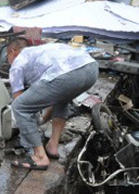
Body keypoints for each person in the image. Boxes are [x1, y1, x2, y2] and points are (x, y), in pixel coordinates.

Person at [7, 38, 99, 170]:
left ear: (13, 51)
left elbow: (20, 103)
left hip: (67, 75)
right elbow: (53, 95)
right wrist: (43, 119)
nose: (8, 61)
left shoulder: (17, 63)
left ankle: (39, 157)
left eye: (7, 56)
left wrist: (29, 126)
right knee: (62, 99)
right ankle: (53, 146)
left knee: (19, 107)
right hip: (91, 69)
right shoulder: (42, 50)